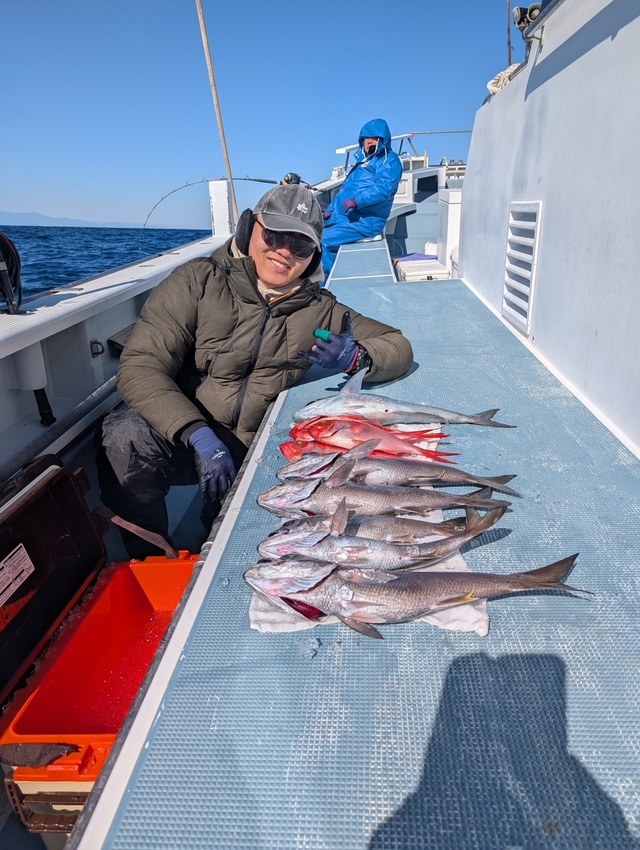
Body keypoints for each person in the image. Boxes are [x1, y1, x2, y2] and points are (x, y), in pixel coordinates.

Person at [96, 184, 413, 558]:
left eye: (300, 246)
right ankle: (150, 555)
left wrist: (354, 357)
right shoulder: (196, 282)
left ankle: (215, 526)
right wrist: (196, 433)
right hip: (185, 437)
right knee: (126, 438)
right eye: (275, 236)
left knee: (251, 547)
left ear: (312, 255)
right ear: (249, 229)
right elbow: (141, 365)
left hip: (254, 452)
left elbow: (397, 346)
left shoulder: (320, 310)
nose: (284, 252)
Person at [321, 118, 403, 279]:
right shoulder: (363, 162)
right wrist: (331, 211)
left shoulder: (390, 160)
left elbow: (383, 189)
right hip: (348, 217)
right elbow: (345, 191)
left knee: (324, 241)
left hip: (365, 221)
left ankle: (323, 284)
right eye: (367, 138)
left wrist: (357, 200)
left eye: (375, 138)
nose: (370, 141)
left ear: (383, 140)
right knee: (312, 234)